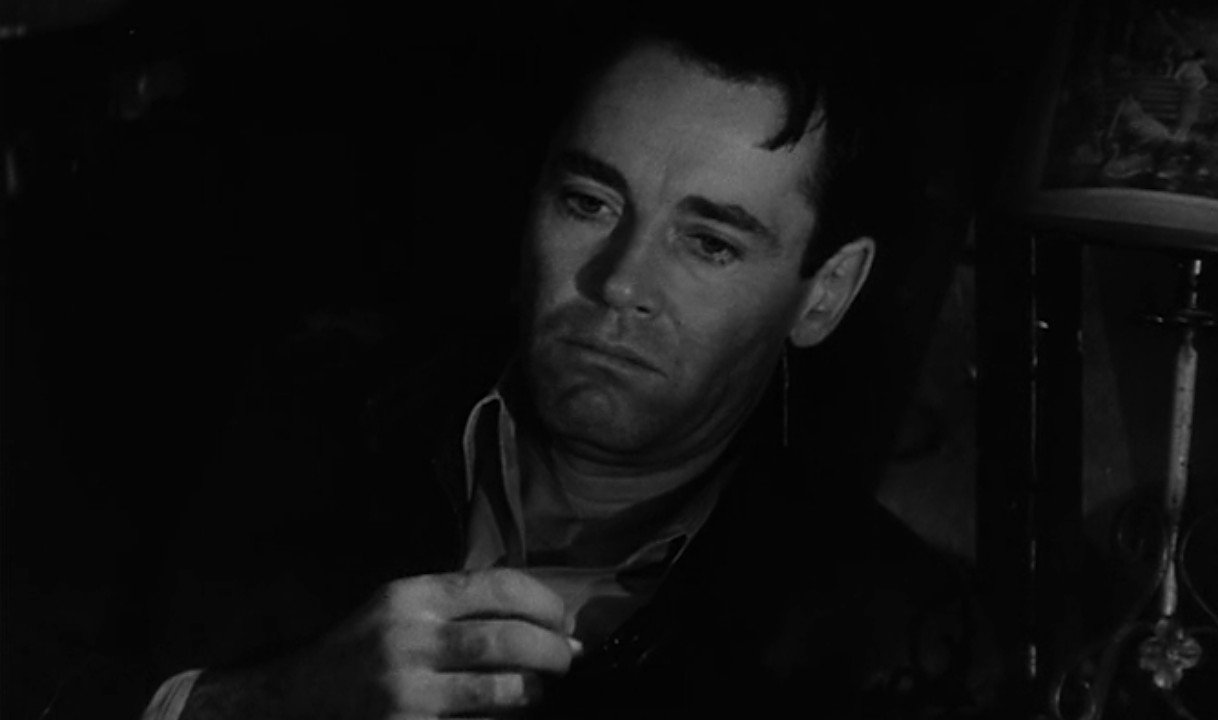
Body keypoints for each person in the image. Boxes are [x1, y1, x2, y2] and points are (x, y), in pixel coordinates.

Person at [112, 9, 989, 720]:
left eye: (710, 244)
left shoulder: (884, 635)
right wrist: (260, 705)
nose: (621, 282)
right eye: (589, 202)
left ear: (824, 294)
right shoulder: (311, 404)